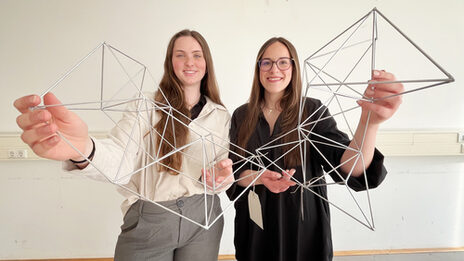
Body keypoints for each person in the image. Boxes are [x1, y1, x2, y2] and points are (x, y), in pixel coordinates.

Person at [14, 29, 234, 261]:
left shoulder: (220, 115)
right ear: (170, 63)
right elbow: (120, 159)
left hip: (203, 217)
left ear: (207, 62)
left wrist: (219, 179)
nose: (189, 62)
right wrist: (83, 150)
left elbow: (218, 173)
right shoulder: (145, 105)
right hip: (151, 219)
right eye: (180, 55)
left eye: (197, 55)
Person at [226, 37, 403, 261]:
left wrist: (370, 121)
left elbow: (348, 166)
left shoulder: (311, 111)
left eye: (283, 62)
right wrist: (261, 177)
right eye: (266, 62)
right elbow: (236, 174)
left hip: (303, 230)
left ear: (294, 67)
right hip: (255, 230)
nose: (274, 69)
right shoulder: (241, 115)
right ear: (258, 68)